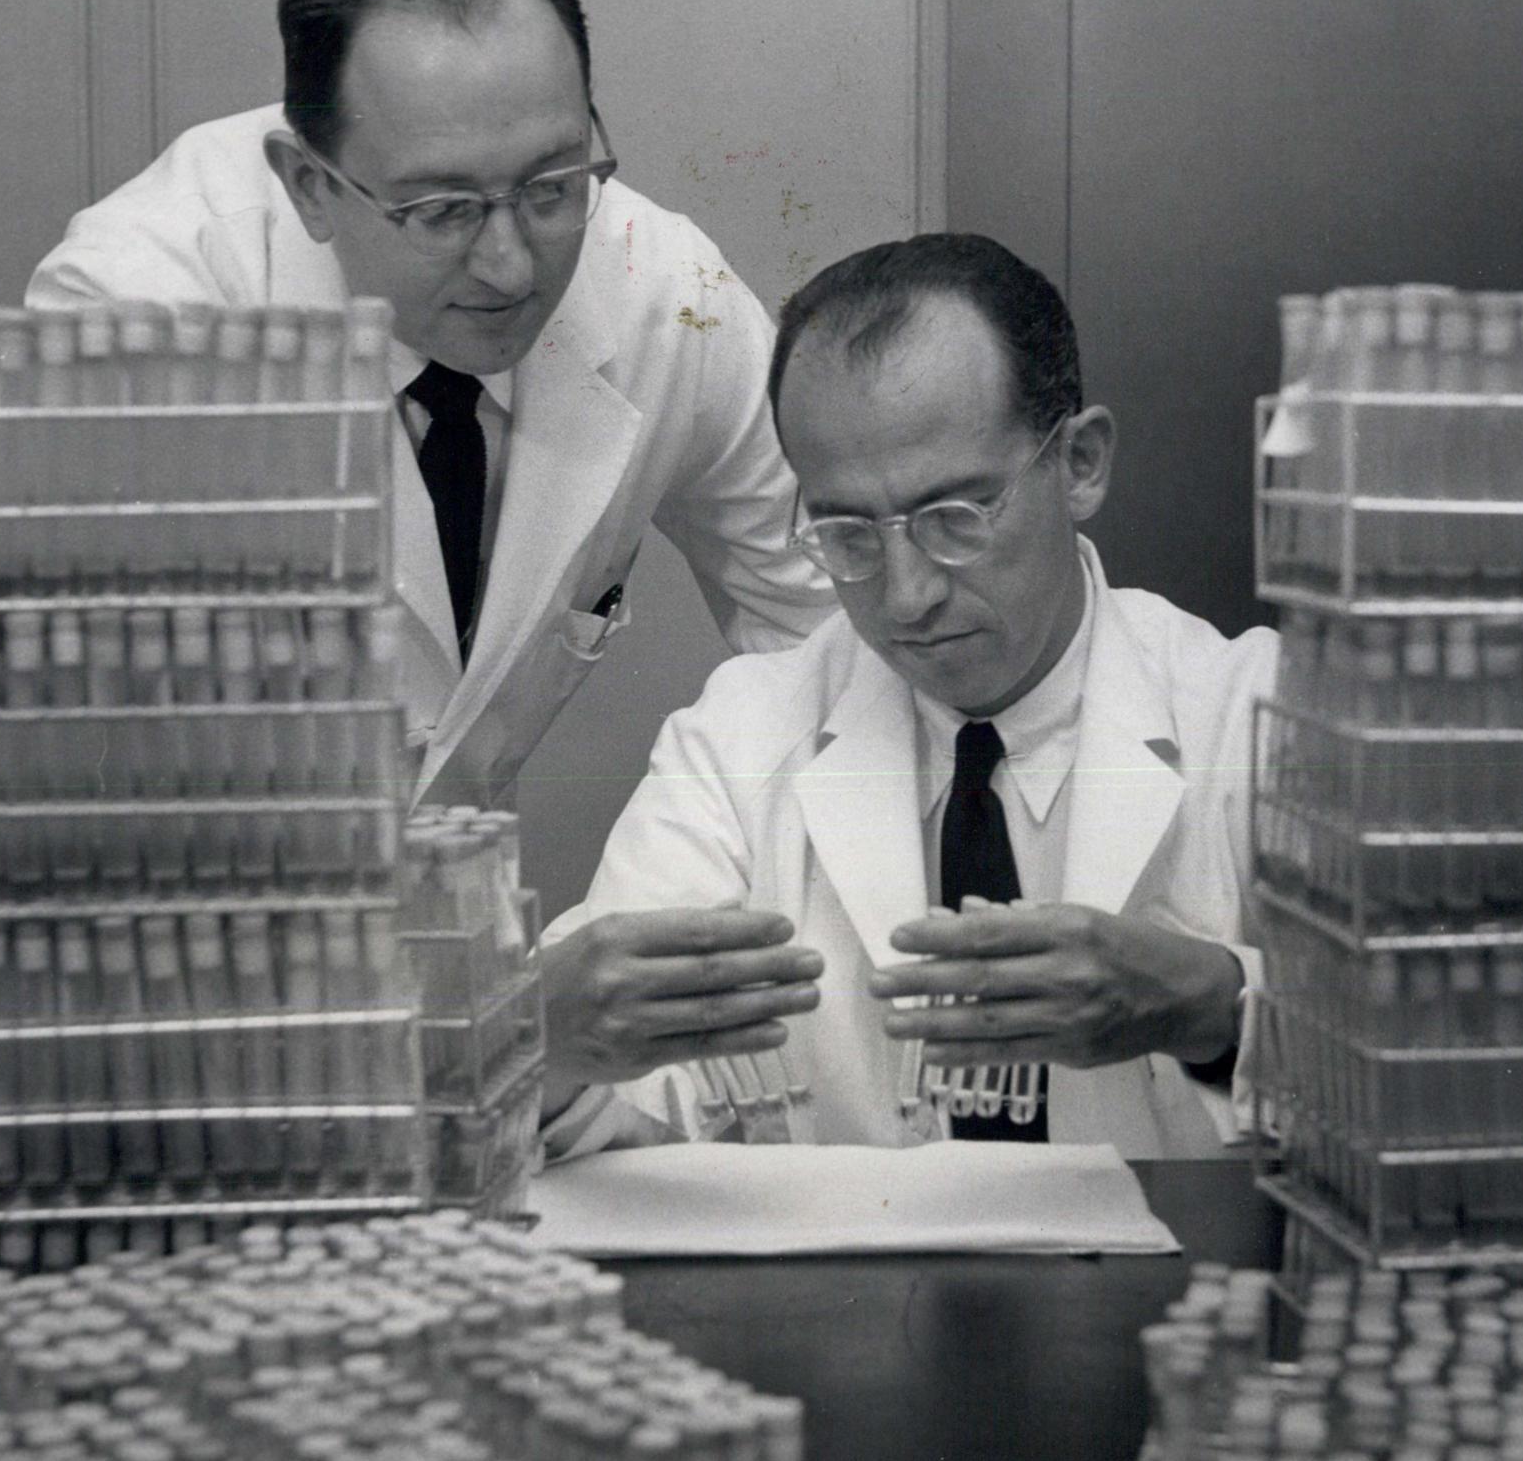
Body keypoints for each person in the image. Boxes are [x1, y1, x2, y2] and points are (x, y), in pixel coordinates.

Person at [27, 0, 833, 810]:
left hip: (465, 906)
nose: (509, 265)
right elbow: (84, 746)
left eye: (552, 184)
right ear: (309, 185)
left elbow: (825, 639)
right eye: (441, 210)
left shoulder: (665, 294)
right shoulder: (139, 316)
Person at [540, 234, 1276, 1158]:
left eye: (954, 519)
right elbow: (626, 1110)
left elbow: (1452, 1075)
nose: (905, 596)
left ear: (1080, 462)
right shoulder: (740, 738)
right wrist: (543, 1045)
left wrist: (1219, 1008)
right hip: (849, 1302)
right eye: (847, 532)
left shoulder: (1259, 717)